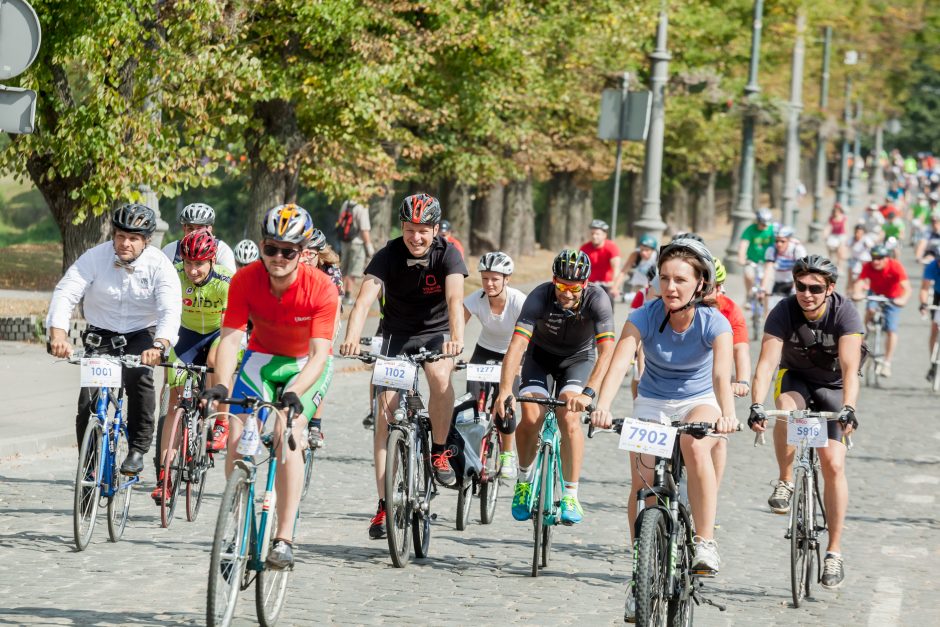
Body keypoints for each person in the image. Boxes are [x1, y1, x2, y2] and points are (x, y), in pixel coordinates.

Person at [589, 238, 738, 619]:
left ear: (700, 284)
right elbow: (620, 362)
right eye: (664, 278)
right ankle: (641, 574)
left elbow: (722, 374)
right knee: (642, 487)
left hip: (698, 400)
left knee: (694, 443)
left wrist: (728, 412)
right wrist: (602, 406)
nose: (670, 288)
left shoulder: (714, 322)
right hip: (653, 401)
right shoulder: (643, 314)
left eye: (680, 280)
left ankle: (705, 540)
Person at [201, 203, 337, 570]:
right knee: (235, 431)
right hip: (261, 359)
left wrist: (295, 393)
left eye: (287, 251)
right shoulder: (245, 280)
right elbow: (230, 340)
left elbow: (320, 354)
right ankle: (240, 515)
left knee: (287, 432)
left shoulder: (321, 288)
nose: (278, 257)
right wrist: (221, 384)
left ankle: (284, 537)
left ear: (304, 252)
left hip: (303, 366)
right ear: (261, 246)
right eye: (271, 248)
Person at [339, 193, 468, 540]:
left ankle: (439, 451)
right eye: (411, 229)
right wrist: (352, 338)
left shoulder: (448, 254)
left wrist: (456, 338)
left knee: (441, 377)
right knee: (385, 419)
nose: (417, 237)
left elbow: (456, 299)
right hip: (395, 338)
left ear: (435, 230)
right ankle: (383, 503)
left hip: (437, 334)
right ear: (402, 228)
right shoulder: (388, 254)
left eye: (424, 230)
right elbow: (364, 298)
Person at [749, 255, 861, 590]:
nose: (807, 294)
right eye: (801, 286)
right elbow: (767, 362)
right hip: (796, 377)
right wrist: (756, 404)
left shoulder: (845, 312)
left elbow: (851, 367)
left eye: (815, 288)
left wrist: (850, 408)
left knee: (833, 465)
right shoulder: (783, 310)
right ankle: (785, 480)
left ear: (830, 289)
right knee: (786, 409)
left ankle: (834, 552)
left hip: (834, 385)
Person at [46, 204, 182, 475]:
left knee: (139, 377)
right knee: (88, 402)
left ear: (146, 241)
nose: (125, 243)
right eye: (120, 236)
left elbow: (170, 309)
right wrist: (58, 335)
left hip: (141, 334)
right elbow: (67, 291)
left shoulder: (160, 266)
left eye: (133, 238)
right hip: (101, 333)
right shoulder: (95, 257)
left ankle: (137, 449)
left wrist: (160, 345)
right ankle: (89, 467)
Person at [493, 249, 616, 525]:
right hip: (540, 358)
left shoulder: (598, 300)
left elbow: (607, 350)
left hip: (578, 360)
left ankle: (571, 494)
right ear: (553, 280)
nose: (567, 293)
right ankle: (524, 482)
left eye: (573, 287)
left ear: (585, 284)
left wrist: (589, 393)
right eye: (561, 285)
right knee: (532, 415)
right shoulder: (539, 296)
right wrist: (504, 390)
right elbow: (518, 345)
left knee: (569, 417)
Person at [150, 230, 232, 504]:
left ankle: (220, 422)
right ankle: (164, 478)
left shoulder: (224, 281)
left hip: (217, 333)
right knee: (175, 401)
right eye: (188, 263)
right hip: (186, 334)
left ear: (211, 262)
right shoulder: (174, 275)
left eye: (199, 264)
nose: (193, 270)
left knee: (213, 363)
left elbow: (236, 320)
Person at [462, 251, 526, 480]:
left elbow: (534, 336)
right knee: (470, 403)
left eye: (495, 279)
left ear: (506, 279)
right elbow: (457, 327)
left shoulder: (519, 301)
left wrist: (520, 366)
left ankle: (507, 454)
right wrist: (451, 352)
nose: (489, 284)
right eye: (485, 278)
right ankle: (470, 450)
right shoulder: (475, 299)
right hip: (485, 351)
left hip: (515, 353)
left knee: (505, 404)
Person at [300, 228, 344, 448]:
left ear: (320, 254)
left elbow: (335, 307)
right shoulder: (293, 265)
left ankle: (315, 425)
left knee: (319, 364)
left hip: (326, 312)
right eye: (303, 252)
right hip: (299, 315)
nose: (306, 258)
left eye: (311, 253)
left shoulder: (330, 270)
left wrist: (327, 341)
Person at [851, 244, 910, 377]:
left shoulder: (896, 266)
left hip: (893, 297)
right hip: (875, 293)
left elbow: (906, 288)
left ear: (886, 258)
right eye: (873, 258)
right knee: (870, 310)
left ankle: (887, 363)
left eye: (879, 258)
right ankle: (867, 330)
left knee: (891, 329)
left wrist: (903, 300)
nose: (876, 261)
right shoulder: (868, 266)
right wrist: (857, 293)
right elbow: (860, 282)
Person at [162, 203, 236, 273]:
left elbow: (230, 279)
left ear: (210, 229)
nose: (194, 233)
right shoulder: (171, 250)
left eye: (199, 229)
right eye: (190, 228)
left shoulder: (222, 250)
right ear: (184, 228)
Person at [335, 200, 375, 305]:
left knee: (343, 269)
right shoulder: (362, 206)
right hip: (357, 243)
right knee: (352, 271)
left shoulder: (346, 203)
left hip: (344, 242)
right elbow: (364, 229)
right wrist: (369, 246)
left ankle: (338, 294)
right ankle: (347, 296)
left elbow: (340, 221)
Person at [762, 225, 807, 311]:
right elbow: (768, 270)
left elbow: (802, 271)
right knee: (771, 311)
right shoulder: (772, 249)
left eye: (782, 241)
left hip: (793, 282)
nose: (779, 244)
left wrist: (795, 288)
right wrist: (763, 288)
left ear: (789, 240)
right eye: (777, 241)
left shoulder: (797, 249)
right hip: (778, 283)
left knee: (795, 311)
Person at [580, 219, 623, 305]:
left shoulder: (611, 247)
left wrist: (615, 287)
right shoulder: (584, 248)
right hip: (589, 284)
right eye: (592, 233)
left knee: (607, 305)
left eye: (597, 234)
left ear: (604, 235)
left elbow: (616, 268)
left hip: (606, 285)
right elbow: (579, 269)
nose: (594, 236)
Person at [737, 208, 776, 299]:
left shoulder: (772, 230)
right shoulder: (750, 229)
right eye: (762, 223)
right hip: (752, 260)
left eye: (767, 223)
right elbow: (743, 245)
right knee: (748, 275)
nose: (765, 226)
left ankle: (767, 311)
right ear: (757, 221)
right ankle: (749, 294)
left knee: (767, 288)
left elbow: (777, 245)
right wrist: (741, 258)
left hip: (767, 261)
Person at [918, 244, 940, 379]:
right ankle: (933, 364)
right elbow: (924, 289)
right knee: (934, 329)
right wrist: (924, 304)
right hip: (938, 295)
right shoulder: (932, 266)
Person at [620, 234, 658, 306]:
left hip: (651, 287)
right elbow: (623, 271)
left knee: (649, 309)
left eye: (647, 250)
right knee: (635, 310)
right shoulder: (636, 255)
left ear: (653, 250)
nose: (643, 252)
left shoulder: (657, 258)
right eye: (641, 249)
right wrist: (615, 287)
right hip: (637, 287)